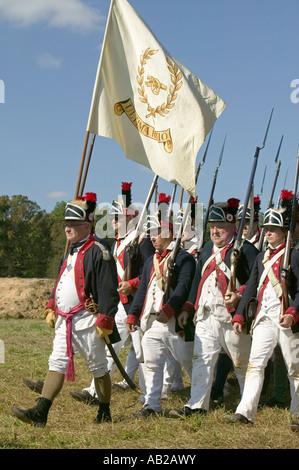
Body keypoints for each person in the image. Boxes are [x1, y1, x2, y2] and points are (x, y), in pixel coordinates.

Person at [12, 192, 119, 426]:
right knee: (57, 361)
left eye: (73, 224)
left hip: (88, 320)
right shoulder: (70, 250)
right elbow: (61, 280)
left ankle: (104, 410)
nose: (67, 229)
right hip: (65, 320)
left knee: (98, 366)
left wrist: (105, 319)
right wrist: (52, 304)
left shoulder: (99, 250)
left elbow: (109, 290)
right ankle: (41, 412)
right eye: (66, 225)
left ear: (87, 225)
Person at [169, 198, 259, 418]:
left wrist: (239, 296)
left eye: (221, 227)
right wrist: (188, 308)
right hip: (206, 315)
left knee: (241, 364)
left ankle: (246, 408)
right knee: (202, 359)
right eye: (213, 227)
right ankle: (197, 404)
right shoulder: (207, 248)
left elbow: (256, 284)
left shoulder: (246, 250)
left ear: (232, 227)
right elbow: (197, 282)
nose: (215, 231)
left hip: (231, 317)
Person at [223, 191, 299, 432]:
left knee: (294, 368)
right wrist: (239, 314)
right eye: (266, 228)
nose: (267, 233)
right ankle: (245, 412)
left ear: (285, 232)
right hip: (265, 317)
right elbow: (251, 288)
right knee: (255, 364)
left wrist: (293, 312)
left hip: (287, 319)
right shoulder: (261, 258)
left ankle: (297, 414)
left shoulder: (295, 255)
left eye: (273, 230)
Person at [126, 193, 196, 417]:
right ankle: (152, 404)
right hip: (154, 321)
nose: (151, 238)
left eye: (155, 234)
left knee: (190, 365)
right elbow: (144, 290)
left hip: (174, 321)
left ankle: (203, 397)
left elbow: (184, 286)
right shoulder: (151, 261)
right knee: (152, 364)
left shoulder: (184, 258)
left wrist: (171, 308)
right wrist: (133, 315)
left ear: (168, 233)